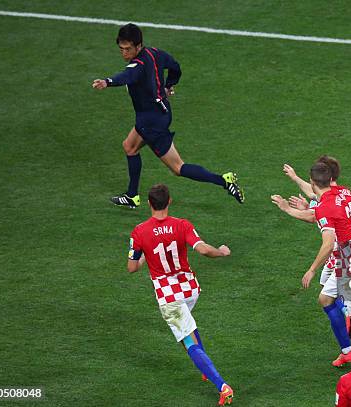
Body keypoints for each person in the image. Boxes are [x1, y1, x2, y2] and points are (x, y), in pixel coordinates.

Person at [92, 23, 244, 208]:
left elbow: (127, 76)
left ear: (138, 46)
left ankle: (224, 181)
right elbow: (175, 67)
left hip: (151, 123)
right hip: (159, 112)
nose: (124, 53)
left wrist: (107, 82)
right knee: (129, 146)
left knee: (178, 167)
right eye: (121, 49)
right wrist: (169, 85)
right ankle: (132, 196)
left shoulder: (137, 66)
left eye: (128, 49)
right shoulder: (154, 53)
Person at [272, 159, 351, 362]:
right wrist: (296, 180)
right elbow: (316, 201)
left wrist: (312, 269)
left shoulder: (324, 207)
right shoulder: (343, 192)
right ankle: (349, 352)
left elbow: (327, 243)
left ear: (314, 182)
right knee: (325, 299)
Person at [127, 184, 233, 405]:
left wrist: (145, 252)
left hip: (169, 298)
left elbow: (132, 267)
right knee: (189, 326)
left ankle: (222, 386)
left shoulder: (139, 231)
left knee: (187, 340)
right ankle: (205, 369)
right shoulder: (182, 225)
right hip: (190, 288)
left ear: (149, 203)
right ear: (170, 201)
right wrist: (221, 252)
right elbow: (203, 250)